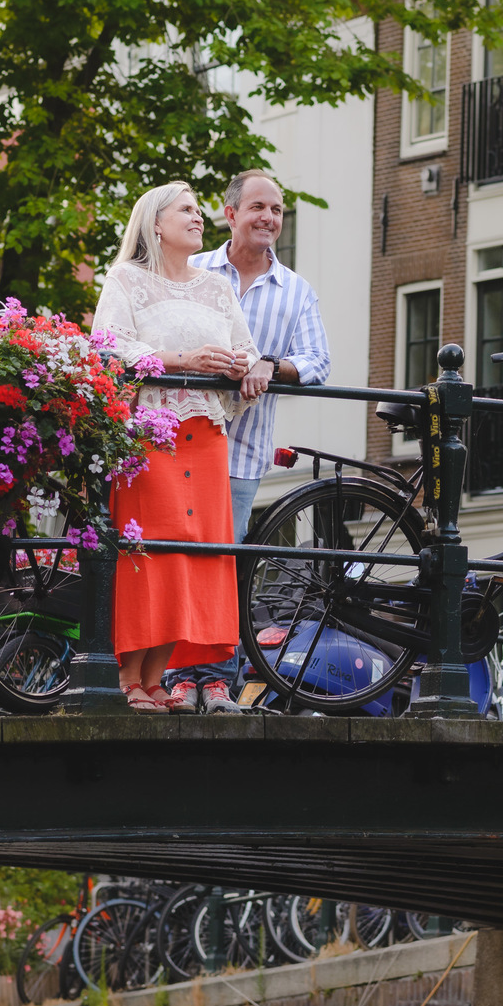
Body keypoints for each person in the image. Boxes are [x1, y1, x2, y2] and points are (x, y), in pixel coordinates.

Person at [90, 181, 267, 712]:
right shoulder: (126, 279)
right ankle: (128, 679)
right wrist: (182, 359)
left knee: (194, 551)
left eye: (198, 210)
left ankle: (158, 677)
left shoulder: (217, 288)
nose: (198, 217)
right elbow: (108, 346)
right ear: (155, 222)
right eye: (185, 210)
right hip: (152, 434)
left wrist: (245, 366)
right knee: (151, 549)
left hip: (206, 438)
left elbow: (249, 350)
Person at [166, 169, 331, 713]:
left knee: (223, 565)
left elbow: (317, 363)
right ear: (230, 214)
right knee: (178, 560)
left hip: (241, 451)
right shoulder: (191, 271)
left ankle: (215, 678)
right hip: (179, 443)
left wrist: (270, 364)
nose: (269, 218)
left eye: (278, 210)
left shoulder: (296, 292)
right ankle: (174, 677)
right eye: (258, 207)